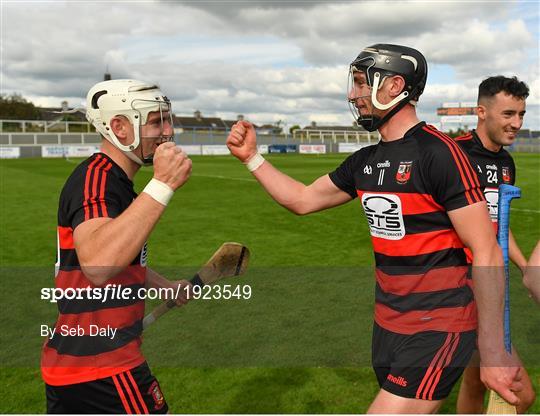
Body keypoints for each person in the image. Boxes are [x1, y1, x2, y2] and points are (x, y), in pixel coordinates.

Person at [226, 44, 522, 413]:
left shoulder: (440, 154)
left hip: (439, 325)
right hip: (387, 324)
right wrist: (252, 158)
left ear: (395, 85)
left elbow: (487, 249)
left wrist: (493, 350)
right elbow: (302, 199)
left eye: (362, 83)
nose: (354, 94)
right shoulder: (366, 160)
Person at [41, 79, 192, 413]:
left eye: (168, 119)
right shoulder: (97, 178)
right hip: (102, 366)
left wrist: (164, 287)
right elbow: (99, 263)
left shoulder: (116, 182)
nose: (169, 131)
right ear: (120, 127)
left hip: (82, 366)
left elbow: (120, 254)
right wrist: (163, 185)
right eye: (156, 121)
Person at [455, 75, 536, 413]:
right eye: (508, 114)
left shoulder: (506, 163)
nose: (516, 123)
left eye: (521, 114)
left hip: (491, 283)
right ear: (481, 112)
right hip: (460, 288)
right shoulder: (452, 155)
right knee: (521, 394)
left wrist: (525, 267)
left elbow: (499, 226)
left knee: (475, 381)